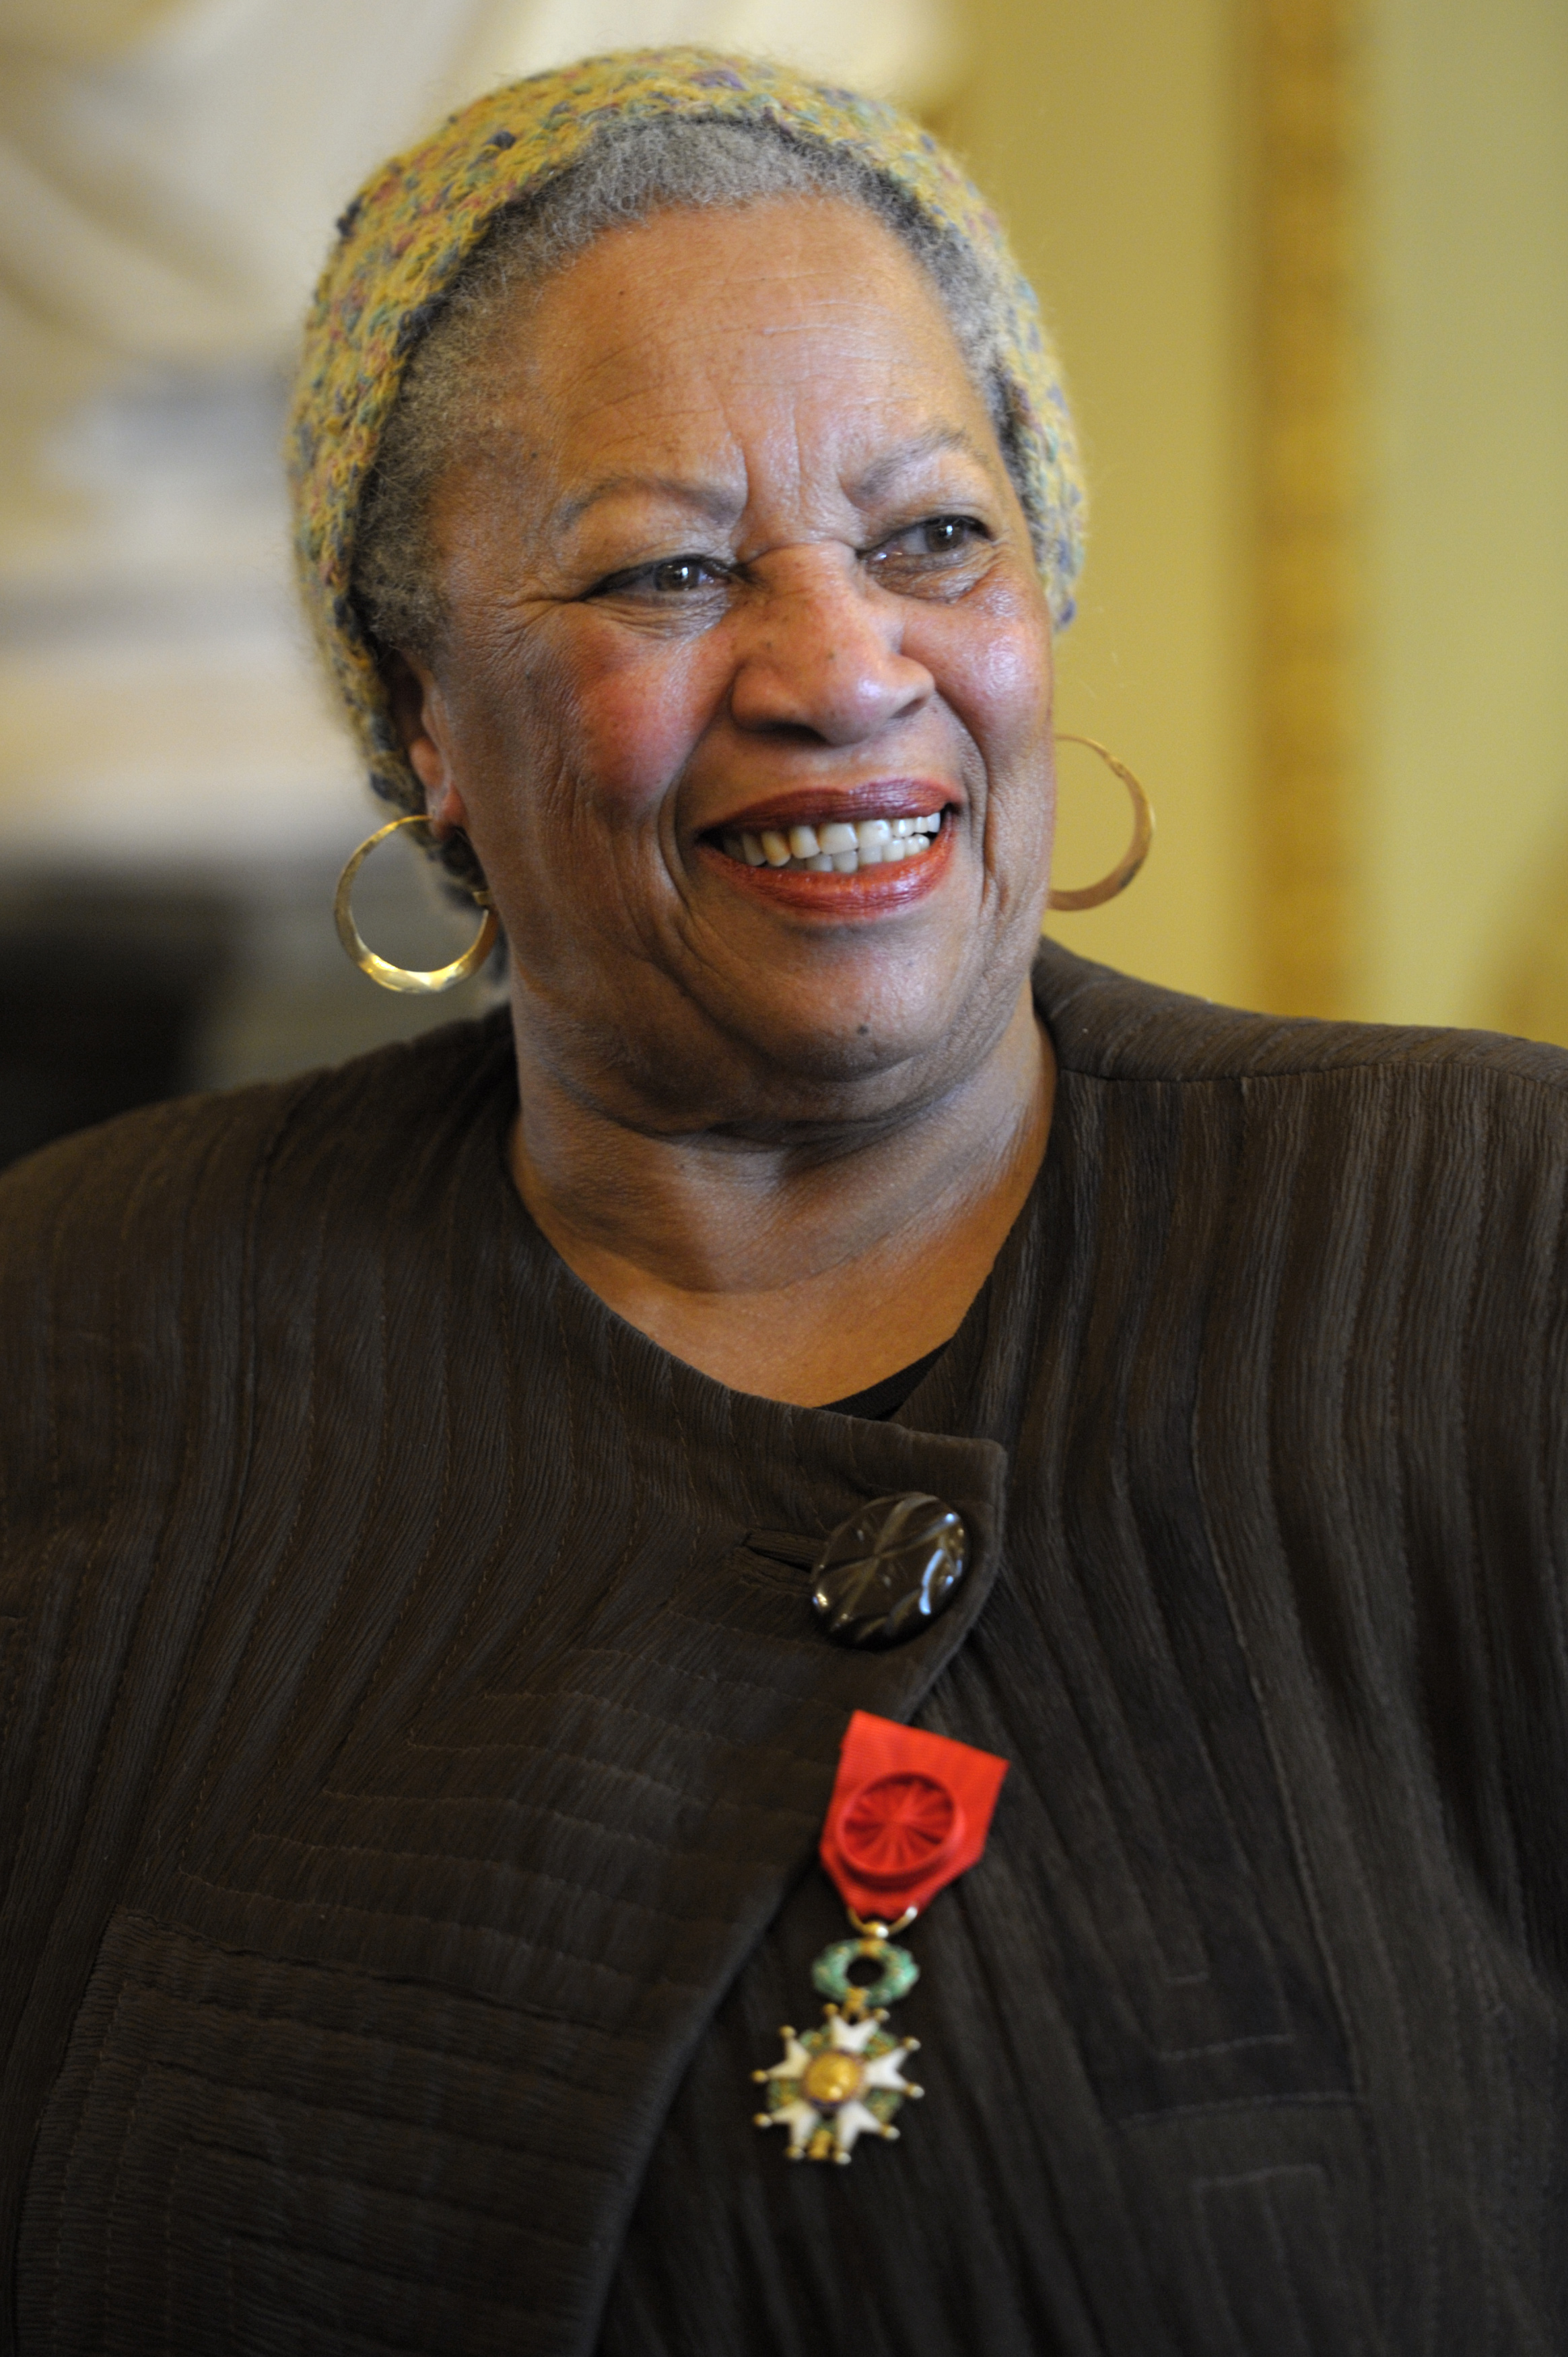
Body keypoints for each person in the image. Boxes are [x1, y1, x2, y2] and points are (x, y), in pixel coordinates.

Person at [2, 47, 1566, 2357]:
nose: (843, 670)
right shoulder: (75, 1334)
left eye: (932, 539)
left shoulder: (1493, 1251)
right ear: (423, 714)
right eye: (667, 570)